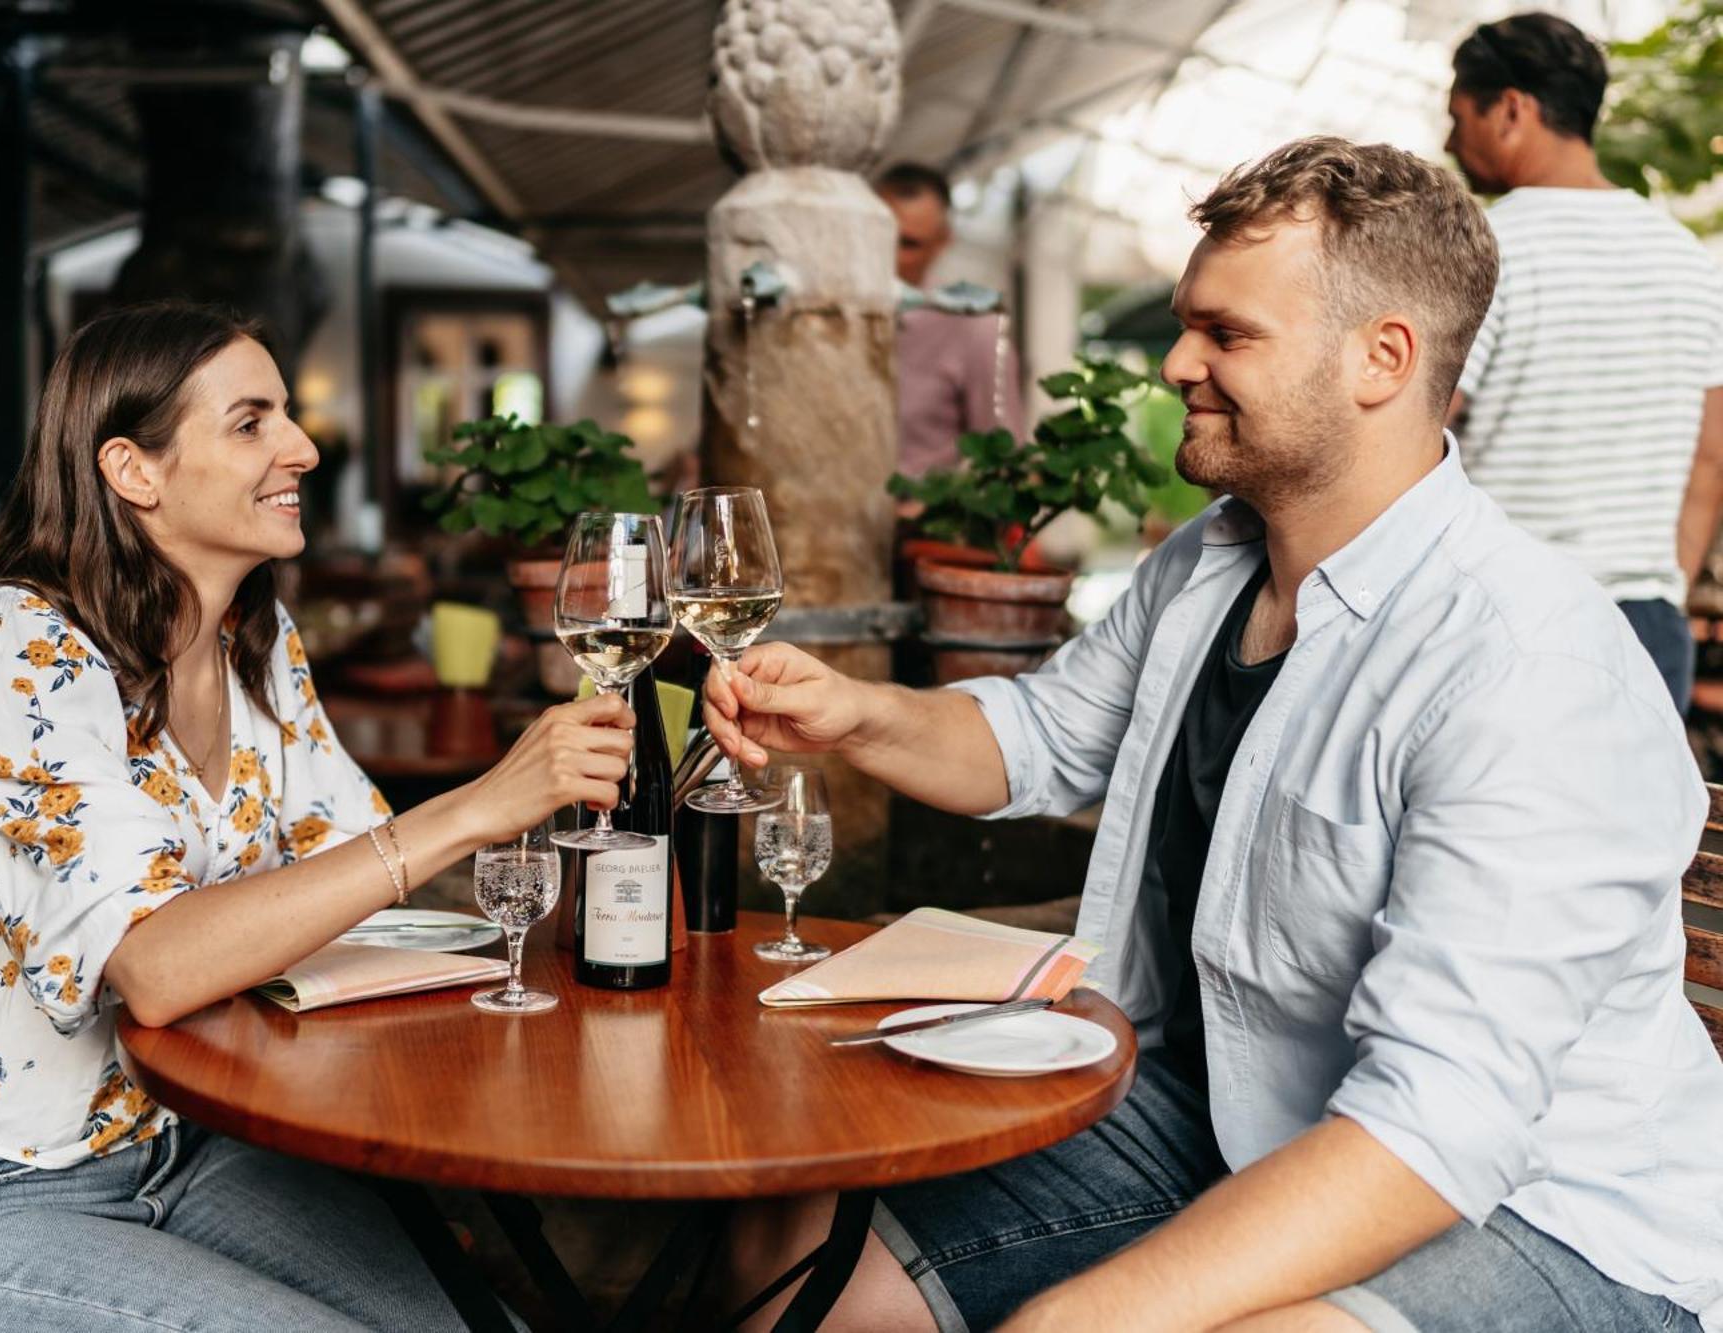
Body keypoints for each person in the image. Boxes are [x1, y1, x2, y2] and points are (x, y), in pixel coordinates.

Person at [716, 138, 1722, 1332]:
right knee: (789, 1240)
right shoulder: (1208, 560)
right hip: (1220, 1118)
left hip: (1535, 1206)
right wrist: (856, 713)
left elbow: (1437, 1124)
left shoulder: (1526, 663)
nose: (1176, 363)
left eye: (1224, 334)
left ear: (1380, 358)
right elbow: (1037, 737)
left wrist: (1071, 1321)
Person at [0, 302, 636, 1331]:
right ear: (135, 471)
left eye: (288, 417)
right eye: (252, 421)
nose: (302, 447)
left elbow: (355, 880)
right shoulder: (17, 641)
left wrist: (575, 888)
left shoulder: (254, 644)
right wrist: (475, 808)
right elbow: (156, 968)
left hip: (191, 1147)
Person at [1444, 12, 1723, 715]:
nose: (1451, 142)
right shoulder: (1691, 262)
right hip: (1649, 624)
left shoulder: (1483, 249)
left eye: (1459, 117)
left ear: (1510, 108)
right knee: (1628, 826)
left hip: (1501, 611)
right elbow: (1711, 456)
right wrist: (1664, 583)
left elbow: (1416, 427)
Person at [876, 163, 1024, 482]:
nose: (885, 254)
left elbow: (1004, 458)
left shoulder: (974, 329)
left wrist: (929, 510)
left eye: (908, 243)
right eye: (877, 237)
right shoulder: (822, 321)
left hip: (928, 525)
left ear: (942, 241)